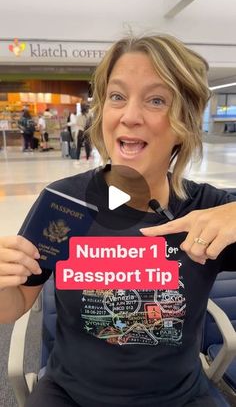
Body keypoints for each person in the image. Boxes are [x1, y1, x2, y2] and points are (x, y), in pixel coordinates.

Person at [0, 34, 236, 407]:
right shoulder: (65, 204)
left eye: (156, 100)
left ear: (184, 122)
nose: (129, 116)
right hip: (71, 396)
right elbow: (14, 304)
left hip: (178, 398)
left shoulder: (208, 209)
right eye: (117, 96)